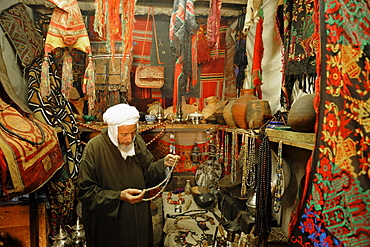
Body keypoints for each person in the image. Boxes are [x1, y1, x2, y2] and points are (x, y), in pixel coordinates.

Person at [77, 103, 179, 247]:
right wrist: (119, 196)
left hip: (138, 217)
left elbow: (148, 174)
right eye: (124, 134)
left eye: (133, 133)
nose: (129, 139)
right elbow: (86, 192)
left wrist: (164, 165)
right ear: (112, 130)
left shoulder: (137, 142)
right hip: (110, 225)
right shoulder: (94, 149)